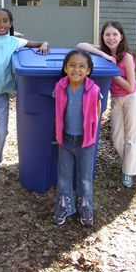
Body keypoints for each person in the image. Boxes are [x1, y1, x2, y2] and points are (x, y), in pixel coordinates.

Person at [0, 7, 49, 181]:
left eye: (5, 20)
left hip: (2, 95)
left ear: (11, 23)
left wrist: (44, 44)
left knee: (2, 131)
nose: (2, 24)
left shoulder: (15, 42)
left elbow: (37, 43)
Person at [77, 21, 136, 188]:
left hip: (132, 98)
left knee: (131, 137)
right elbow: (80, 45)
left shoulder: (127, 56)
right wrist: (104, 57)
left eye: (114, 34)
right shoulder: (104, 52)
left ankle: (128, 173)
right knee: (117, 138)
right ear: (103, 37)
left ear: (121, 37)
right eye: (107, 35)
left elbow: (130, 86)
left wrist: (112, 72)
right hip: (116, 99)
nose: (111, 38)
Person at [53, 50, 101, 226]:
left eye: (82, 66)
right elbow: (58, 112)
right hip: (65, 139)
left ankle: (85, 205)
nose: (76, 70)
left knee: (85, 177)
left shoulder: (94, 90)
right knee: (64, 175)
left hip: (85, 142)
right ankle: (64, 204)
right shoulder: (60, 87)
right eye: (72, 65)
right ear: (65, 68)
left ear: (88, 70)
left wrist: (90, 135)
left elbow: (97, 113)